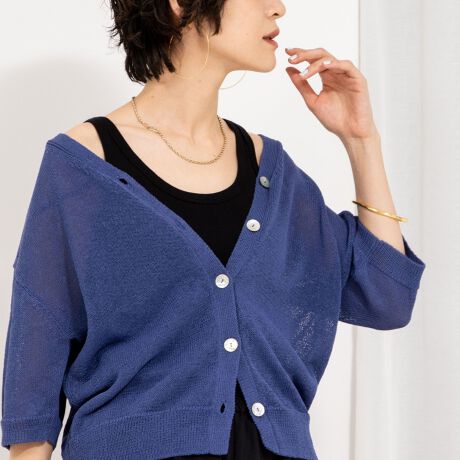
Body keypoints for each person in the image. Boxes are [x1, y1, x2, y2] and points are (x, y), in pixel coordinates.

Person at [1, 1, 427, 459]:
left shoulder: (272, 173)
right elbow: (34, 385)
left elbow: (387, 297)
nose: (278, 8)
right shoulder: (84, 166)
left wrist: (361, 140)